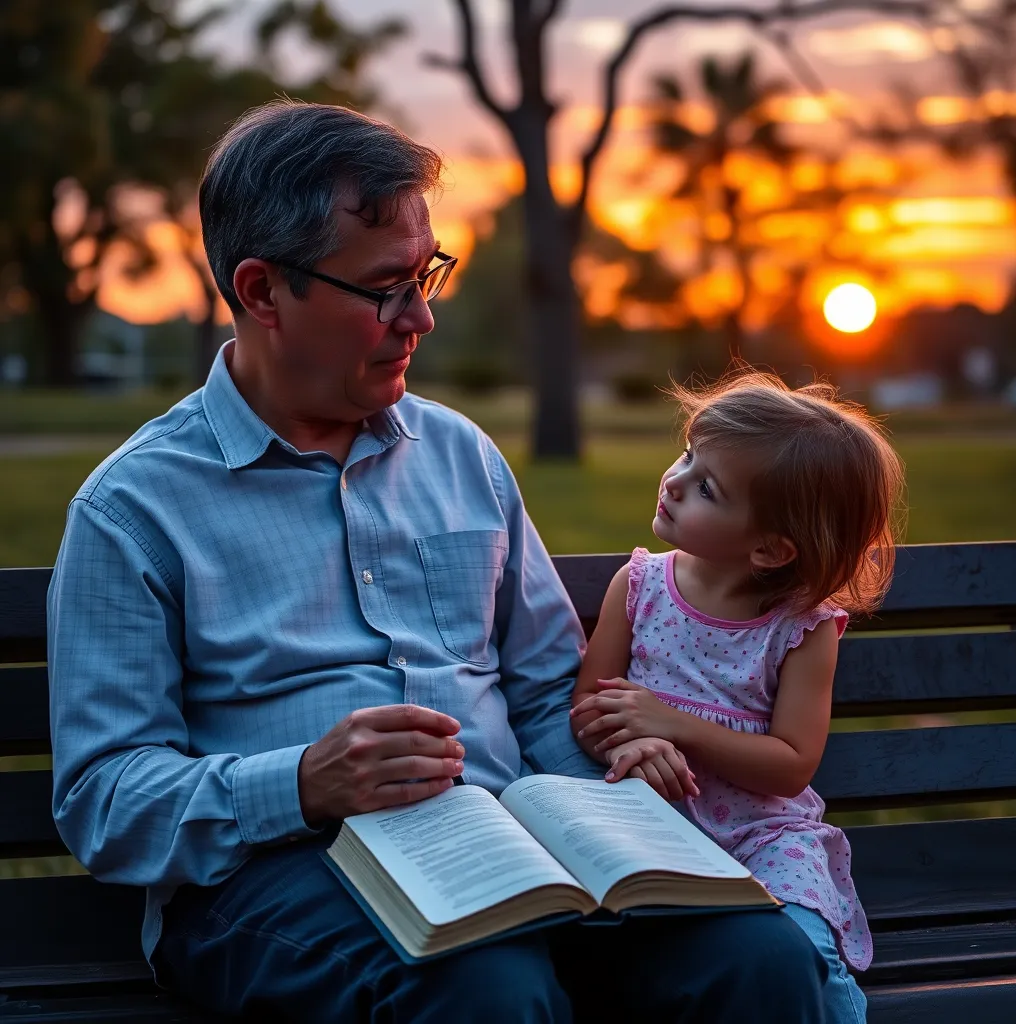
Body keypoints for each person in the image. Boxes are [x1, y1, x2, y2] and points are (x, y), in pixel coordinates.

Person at [48, 100, 827, 1023]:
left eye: (429, 276)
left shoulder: (462, 457)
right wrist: (299, 783)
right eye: (386, 288)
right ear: (263, 292)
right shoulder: (135, 509)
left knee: (760, 960)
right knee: (487, 989)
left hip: (515, 849)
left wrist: (612, 767)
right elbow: (104, 798)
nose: (420, 316)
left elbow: (544, 692)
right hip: (279, 878)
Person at [570, 369, 906, 1024]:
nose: (674, 480)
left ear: (771, 549)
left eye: (706, 488)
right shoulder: (638, 586)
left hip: (764, 839)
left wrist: (675, 725)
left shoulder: (801, 627)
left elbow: (791, 765)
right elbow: (590, 707)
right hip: (652, 834)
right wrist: (636, 738)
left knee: (803, 958)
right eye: (688, 455)